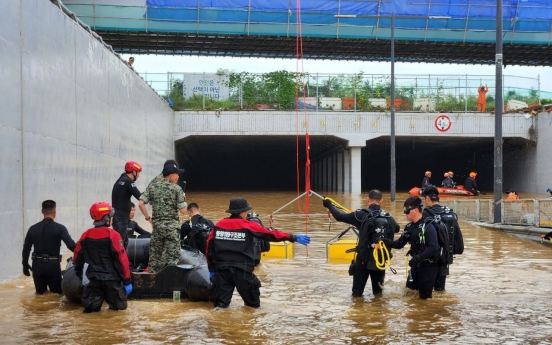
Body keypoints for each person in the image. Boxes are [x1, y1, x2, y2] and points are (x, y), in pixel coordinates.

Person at [206, 197, 310, 309]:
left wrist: (211, 270)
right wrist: (293, 237)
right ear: (242, 212)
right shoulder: (248, 225)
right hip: (243, 271)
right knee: (253, 307)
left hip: (223, 271)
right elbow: (271, 234)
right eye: (246, 211)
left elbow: (209, 247)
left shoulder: (218, 225)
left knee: (220, 307)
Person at [323, 190, 399, 297]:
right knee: (378, 296)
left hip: (362, 260)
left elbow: (339, 217)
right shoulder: (389, 217)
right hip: (379, 262)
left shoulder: (360, 215)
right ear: (381, 201)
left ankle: (358, 311)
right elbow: (397, 229)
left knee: (357, 295)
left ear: (367, 199)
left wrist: (329, 205)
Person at [73, 201, 132, 313]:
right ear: (106, 218)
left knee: (91, 313)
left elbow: (77, 256)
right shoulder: (113, 235)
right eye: (110, 216)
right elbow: (121, 259)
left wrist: (78, 271)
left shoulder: (86, 235)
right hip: (113, 283)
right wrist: (127, 280)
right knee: (117, 313)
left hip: (94, 281)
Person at [382, 197, 439, 299]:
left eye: (407, 210)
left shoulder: (428, 227)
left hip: (428, 267)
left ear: (416, 210)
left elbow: (433, 248)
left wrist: (417, 258)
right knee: (409, 294)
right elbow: (399, 244)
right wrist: (385, 241)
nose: (405, 213)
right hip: (415, 266)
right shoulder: (409, 227)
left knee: (425, 298)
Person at [139, 163, 187, 274]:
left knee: (154, 258)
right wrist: (183, 197)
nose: (178, 177)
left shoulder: (152, 187)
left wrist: (148, 218)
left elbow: (141, 203)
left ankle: (152, 283)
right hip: (172, 229)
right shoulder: (177, 189)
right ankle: (168, 283)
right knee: (172, 258)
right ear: (170, 175)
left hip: (157, 228)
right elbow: (183, 210)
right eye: (176, 174)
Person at [22, 200, 76, 294]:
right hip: (53, 266)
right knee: (57, 296)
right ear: (55, 211)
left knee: (41, 296)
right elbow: (71, 246)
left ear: (42, 211)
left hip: (37, 266)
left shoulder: (33, 228)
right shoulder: (60, 228)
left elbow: (26, 249)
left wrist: (25, 265)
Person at [421, 187, 464, 291]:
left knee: (425, 290)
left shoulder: (425, 214)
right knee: (440, 289)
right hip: (445, 257)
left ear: (427, 198)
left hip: (428, 259)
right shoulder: (449, 213)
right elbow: (458, 237)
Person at [112, 160, 144, 248]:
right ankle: (117, 262)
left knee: (123, 243)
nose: (139, 175)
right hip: (121, 219)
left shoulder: (121, 179)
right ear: (134, 172)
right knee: (120, 245)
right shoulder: (128, 182)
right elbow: (140, 196)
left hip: (118, 217)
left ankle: (124, 261)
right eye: (138, 173)